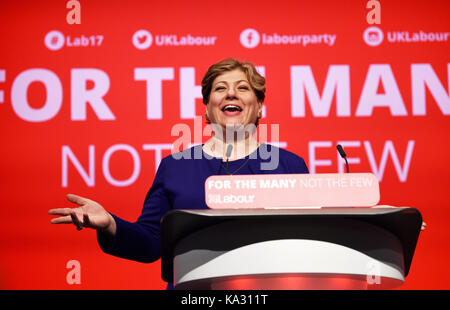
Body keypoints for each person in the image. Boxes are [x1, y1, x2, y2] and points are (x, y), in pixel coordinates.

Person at [48, 58, 310, 289]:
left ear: (260, 105)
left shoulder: (290, 166)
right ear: (207, 108)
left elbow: (306, 244)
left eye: (243, 88)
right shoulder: (174, 166)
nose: (231, 93)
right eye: (220, 88)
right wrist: (110, 224)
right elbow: (151, 244)